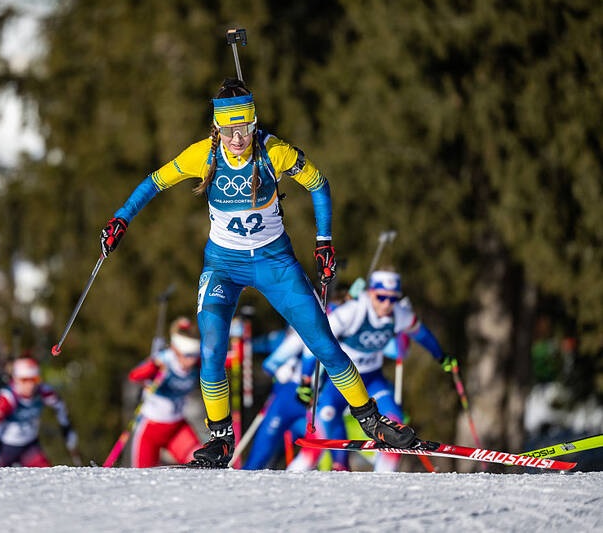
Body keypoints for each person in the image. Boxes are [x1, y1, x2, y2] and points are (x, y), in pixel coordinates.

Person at [100, 78, 418, 467]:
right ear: (217, 127)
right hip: (223, 266)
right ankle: (220, 439)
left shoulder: (274, 152)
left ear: (254, 123)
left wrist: (324, 241)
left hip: (275, 263)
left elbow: (318, 184)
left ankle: (372, 421)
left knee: (323, 343)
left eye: (245, 128)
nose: (238, 139)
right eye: (229, 130)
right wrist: (121, 219)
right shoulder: (202, 155)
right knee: (212, 345)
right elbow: (154, 183)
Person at [293, 270, 453, 471]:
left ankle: (383, 478)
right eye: (381, 297)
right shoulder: (353, 311)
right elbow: (315, 342)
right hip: (342, 382)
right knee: (321, 427)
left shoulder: (398, 314)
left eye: (392, 298)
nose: (387, 304)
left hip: (372, 380)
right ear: (370, 293)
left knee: (395, 427)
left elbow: (421, 334)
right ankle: (319, 469)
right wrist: (306, 380)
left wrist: (441, 356)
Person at [126, 317, 202, 467]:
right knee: (143, 476)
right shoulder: (164, 360)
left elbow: (222, 361)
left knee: (200, 464)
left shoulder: (196, 363)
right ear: (176, 350)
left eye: (194, 355)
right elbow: (135, 376)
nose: (191, 361)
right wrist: (153, 366)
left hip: (177, 428)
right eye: (187, 355)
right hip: (150, 431)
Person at [242, 326, 314, 470]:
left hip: (314, 403)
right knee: (263, 451)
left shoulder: (333, 328)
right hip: (286, 399)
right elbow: (267, 361)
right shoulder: (285, 336)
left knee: (319, 449)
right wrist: (241, 340)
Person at [0, 357, 79, 467]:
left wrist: (66, 428)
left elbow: (60, 406)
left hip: (29, 445)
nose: (30, 385)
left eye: (34, 380)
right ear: (16, 379)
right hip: (7, 446)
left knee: (46, 472)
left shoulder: (43, 392)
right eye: (24, 380)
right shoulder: (7, 398)